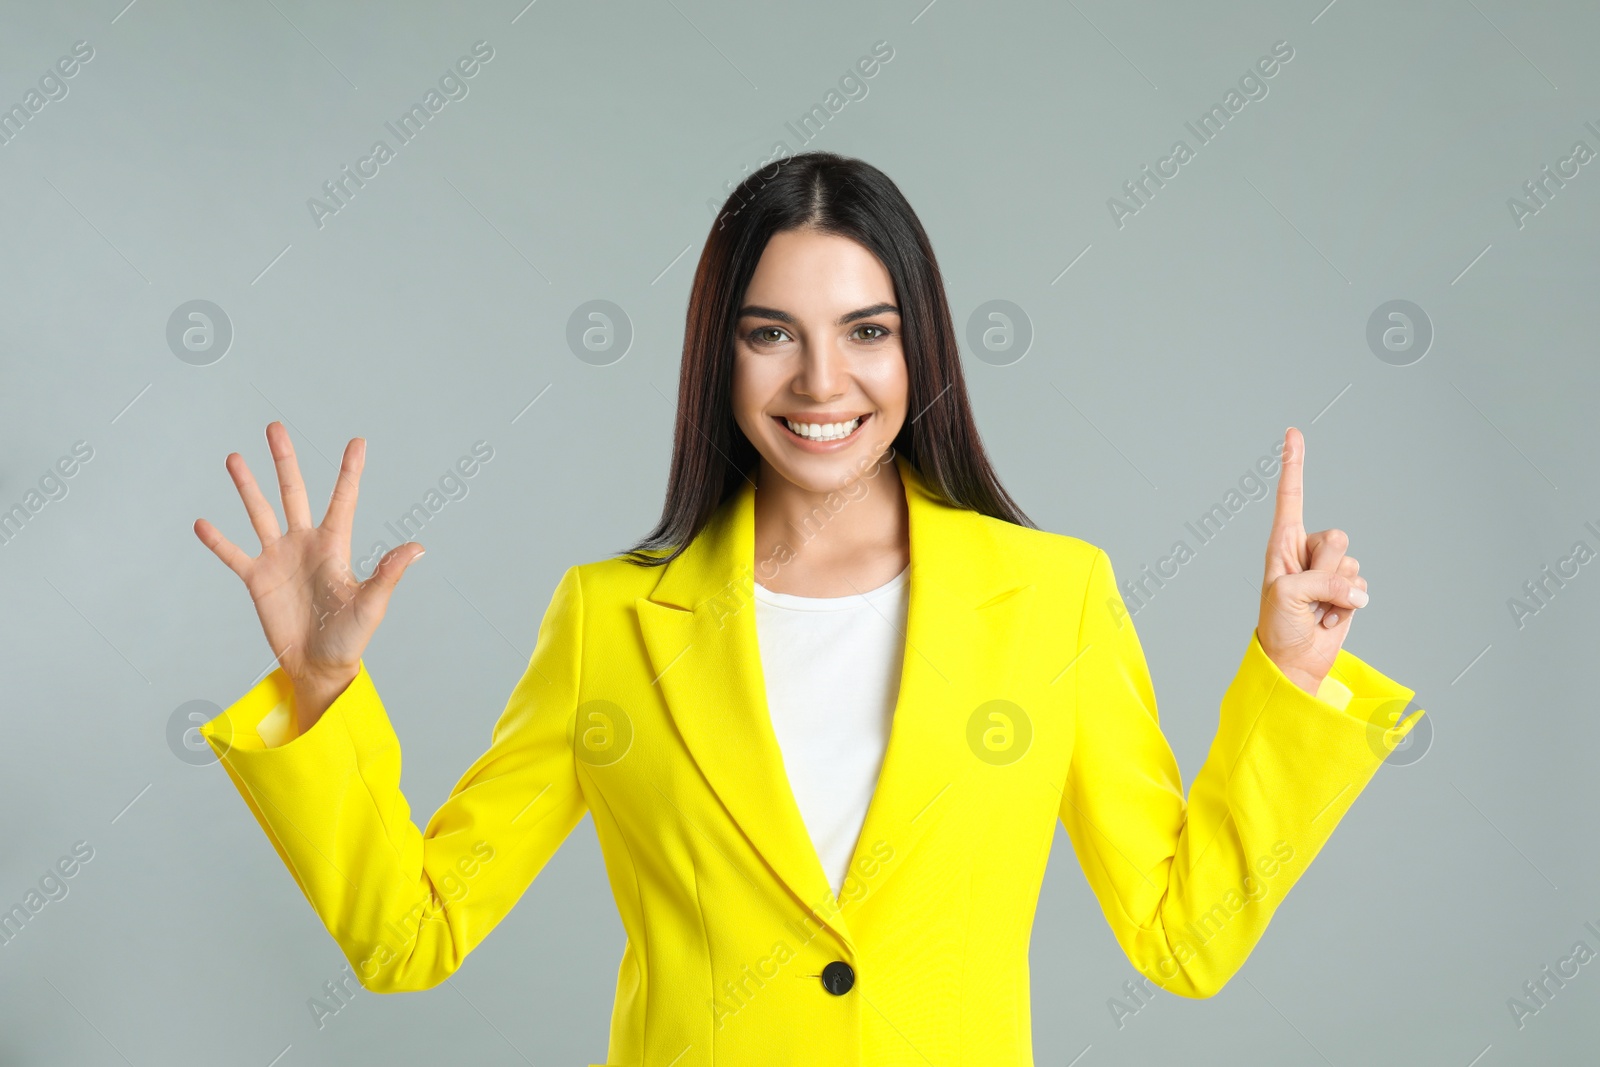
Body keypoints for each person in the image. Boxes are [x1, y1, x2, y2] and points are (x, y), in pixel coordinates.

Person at [193, 151, 1424, 1066]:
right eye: (770, 332)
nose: (821, 381)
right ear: (716, 358)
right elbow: (410, 937)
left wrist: (1288, 684)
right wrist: (318, 686)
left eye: (867, 331)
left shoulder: (1053, 600)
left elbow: (1183, 937)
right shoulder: (609, 620)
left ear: (918, 348)